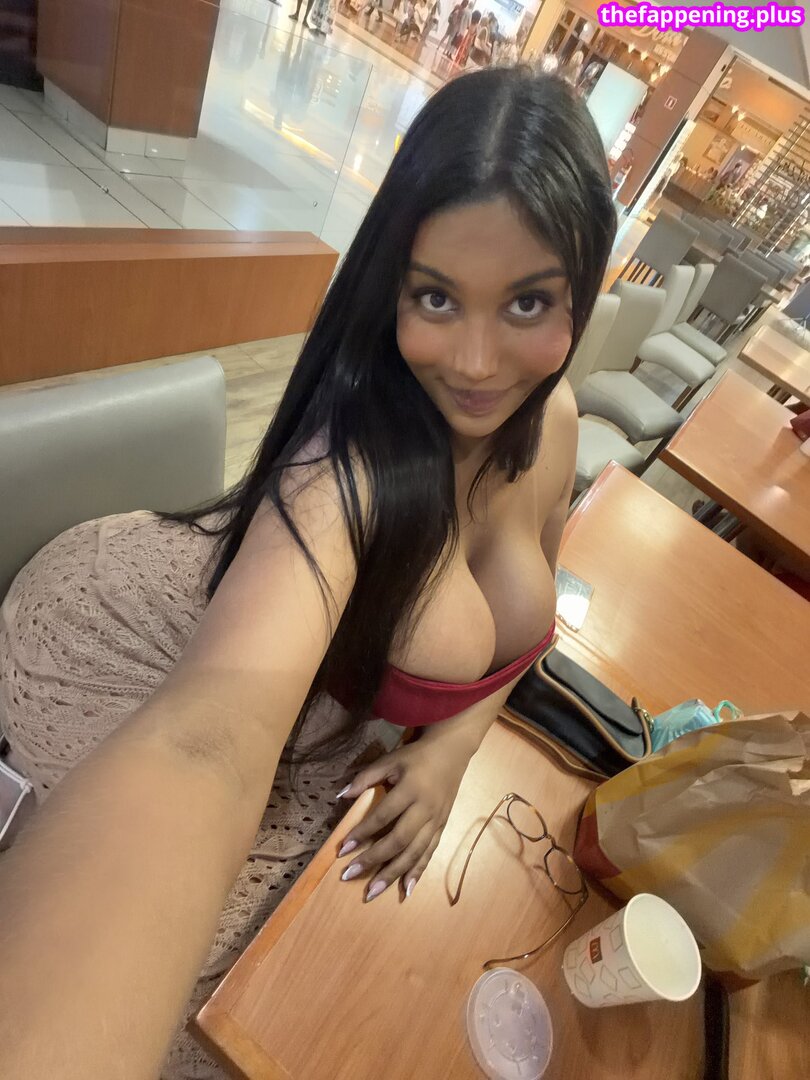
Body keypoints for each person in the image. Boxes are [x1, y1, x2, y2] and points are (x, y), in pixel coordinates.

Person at [0, 69, 615, 1079]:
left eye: (528, 302)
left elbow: (527, 633)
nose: (475, 362)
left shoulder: (555, 420)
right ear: (390, 287)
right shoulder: (342, 475)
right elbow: (204, 744)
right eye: (435, 296)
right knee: (217, 1021)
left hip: (316, 707)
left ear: (581, 293)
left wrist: (453, 749)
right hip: (115, 637)